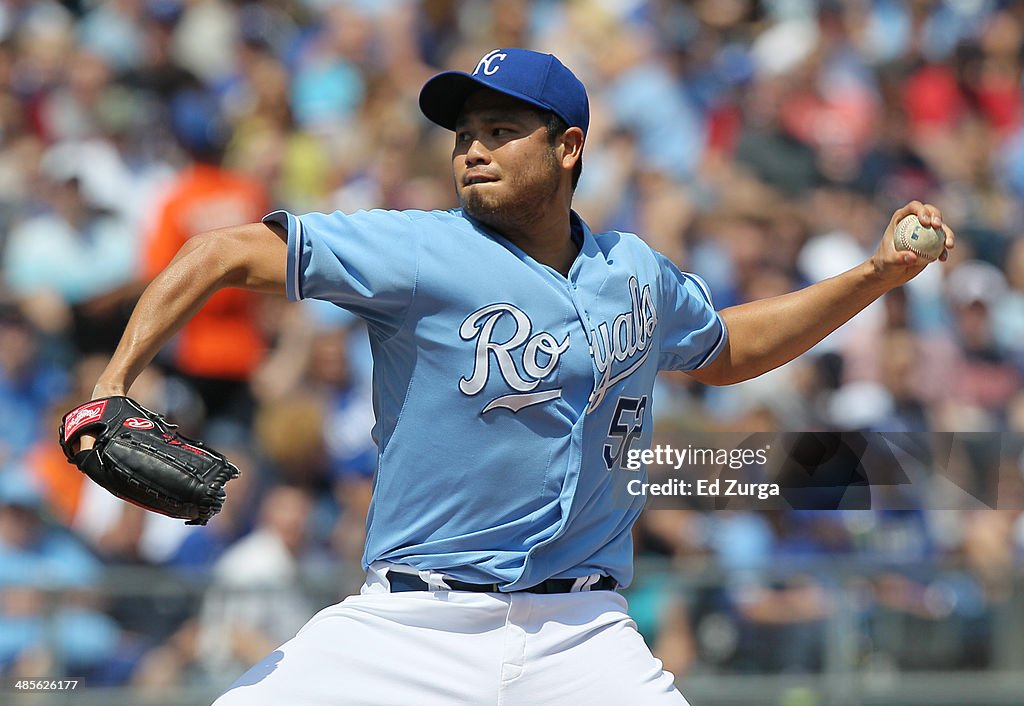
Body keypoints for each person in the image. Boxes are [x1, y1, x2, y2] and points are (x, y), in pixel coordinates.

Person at [81, 48, 954, 705]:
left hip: (585, 635)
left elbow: (727, 349)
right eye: (464, 135)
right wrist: (114, 382)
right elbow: (221, 251)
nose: (473, 150)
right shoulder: (419, 251)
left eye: (501, 131)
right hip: (409, 627)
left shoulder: (634, 273)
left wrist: (874, 276)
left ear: (567, 147)